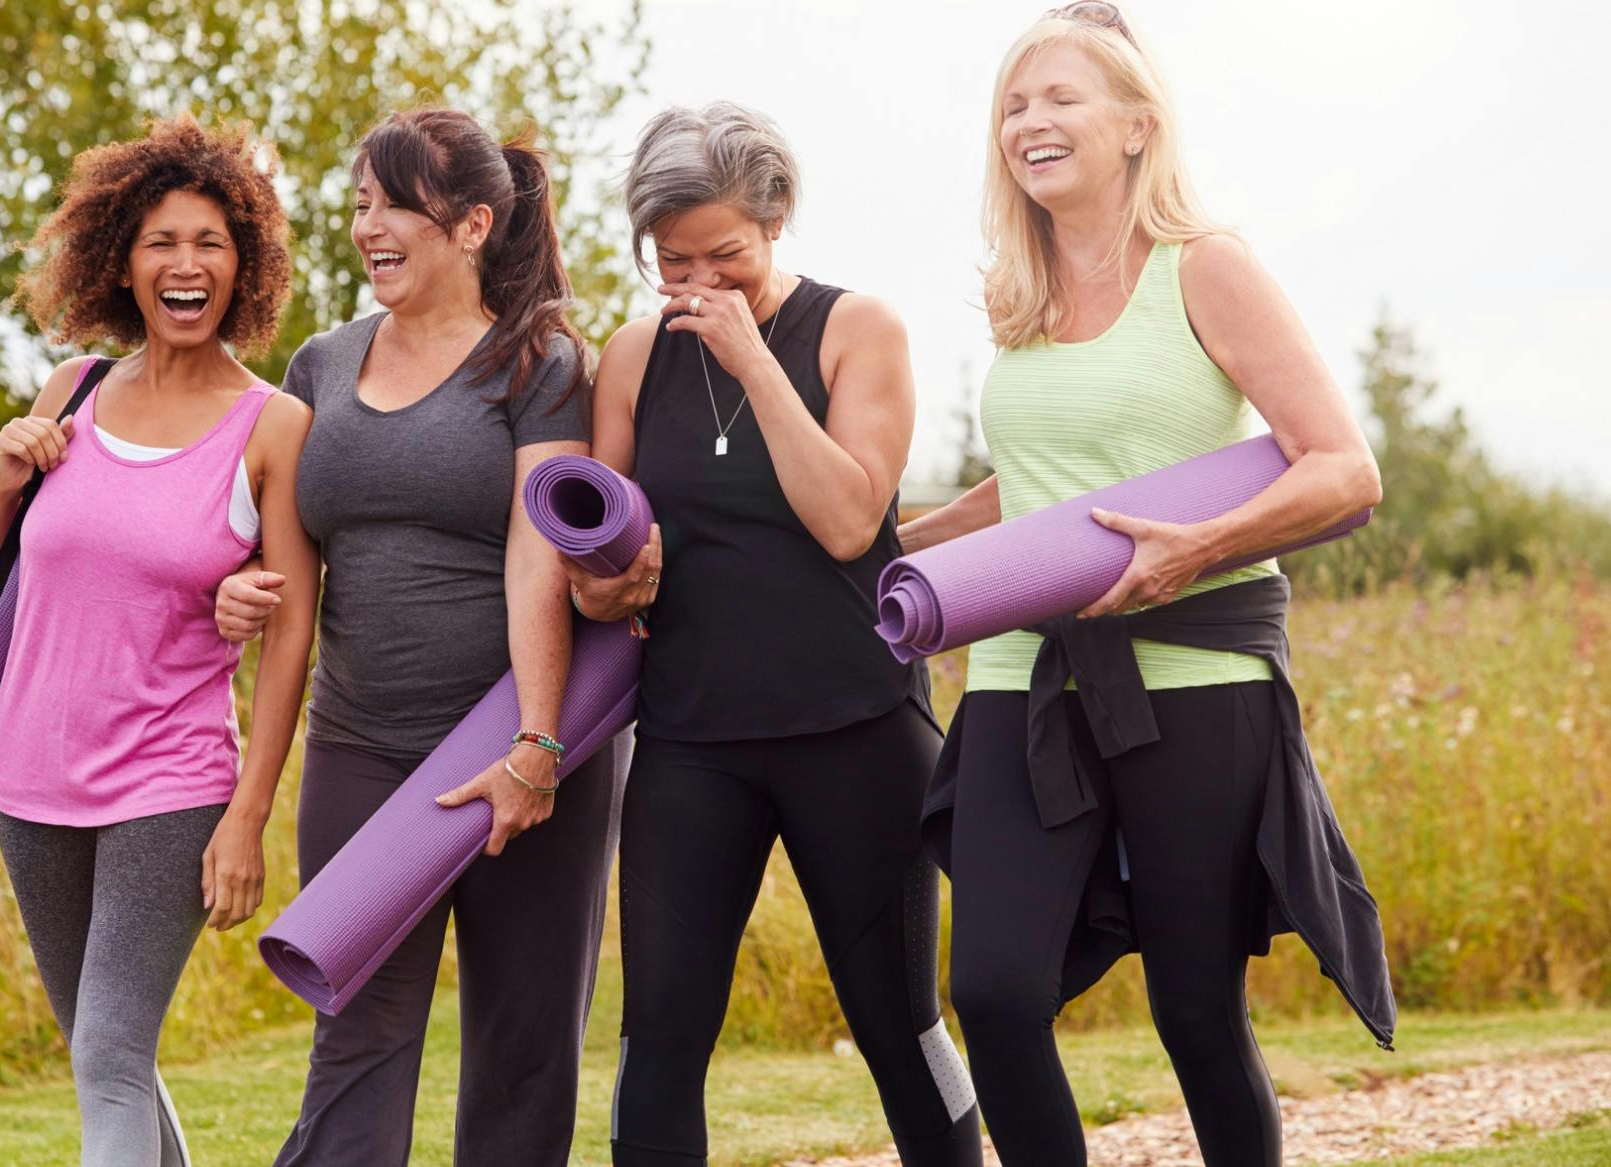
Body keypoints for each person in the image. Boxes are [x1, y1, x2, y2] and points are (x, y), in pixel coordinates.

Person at [897, 6, 1396, 1164]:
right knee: (997, 989)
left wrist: (1192, 547)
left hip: (1194, 676)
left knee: (1194, 1014)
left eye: (1059, 99)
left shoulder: (1203, 270)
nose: (1030, 122)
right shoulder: (1015, 299)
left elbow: (1342, 469)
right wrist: (889, 553)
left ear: (1135, 126)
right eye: (1014, 106)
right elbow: (1030, 488)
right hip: (1024, 677)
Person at [572, 102, 984, 1167]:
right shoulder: (629, 357)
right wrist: (606, 584)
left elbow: (850, 518)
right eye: (672, 263)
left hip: (856, 725)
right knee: (658, 1036)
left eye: (726, 257)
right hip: (691, 741)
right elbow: (596, 562)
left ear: (777, 219)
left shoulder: (859, 331)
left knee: (900, 1026)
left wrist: (754, 362)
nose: (700, 286)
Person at [211, 107, 622, 1166]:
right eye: (358, 203)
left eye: (395, 203)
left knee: (523, 1043)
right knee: (356, 1032)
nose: (367, 226)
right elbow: (281, 573)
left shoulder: (540, 363)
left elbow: (540, 550)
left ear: (474, 225)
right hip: (360, 746)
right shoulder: (318, 367)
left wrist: (536, 744)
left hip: (517, 751)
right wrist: (235, 596)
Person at [0, 115, 317, 1167]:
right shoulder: (69, 391)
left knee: (112, 1051)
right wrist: (3, 477)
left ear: (242, 267)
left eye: (211, 242)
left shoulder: (271, 426)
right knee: (98, 1051)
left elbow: (290, 630)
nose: (186, 263)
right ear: (122, 258)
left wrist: (249, 814)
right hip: (27, 778)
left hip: (169, 784)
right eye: (163, 240)